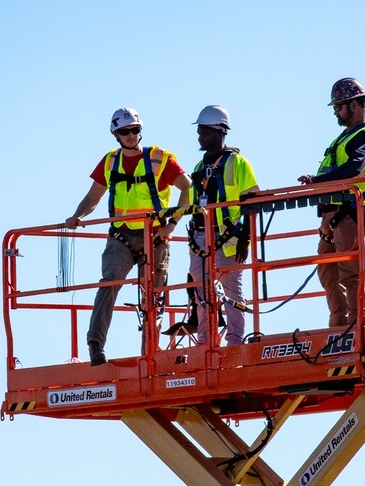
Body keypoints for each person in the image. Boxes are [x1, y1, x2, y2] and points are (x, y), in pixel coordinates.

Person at [65, 108, 192, 365]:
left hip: (154, 236)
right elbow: (93, 197)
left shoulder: (160, 158)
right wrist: (77, 215)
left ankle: (150, 353)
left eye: (135, 130)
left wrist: (173, 224)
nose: (131, 135)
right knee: (109, 283)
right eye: (125, 132)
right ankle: (95, 346)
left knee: (154, 295)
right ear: (116, 134)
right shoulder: (111, 162)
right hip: (120, 237)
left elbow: (188, 188)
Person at [298, 77, 365, 328]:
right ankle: (339, 325)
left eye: (339, 106)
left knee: (350, 274)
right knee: (327, 271)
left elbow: (354, 169)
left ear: (355, 105)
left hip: (350, 214)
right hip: (332, 217)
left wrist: (318, 180)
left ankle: (359, 326)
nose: (336, 112)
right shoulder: (344, 137)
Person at [187, 105, 259, 346]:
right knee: (202, 295)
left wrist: (245, 239)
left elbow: (252, 203)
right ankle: (205, 343)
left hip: (228, 240)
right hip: (199, 240)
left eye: (204, 131)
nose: (200, 136)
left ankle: (235, 342)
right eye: (199, 131)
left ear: (220, 131)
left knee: (232, 294)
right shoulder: (199, 167)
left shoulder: (238, 164)